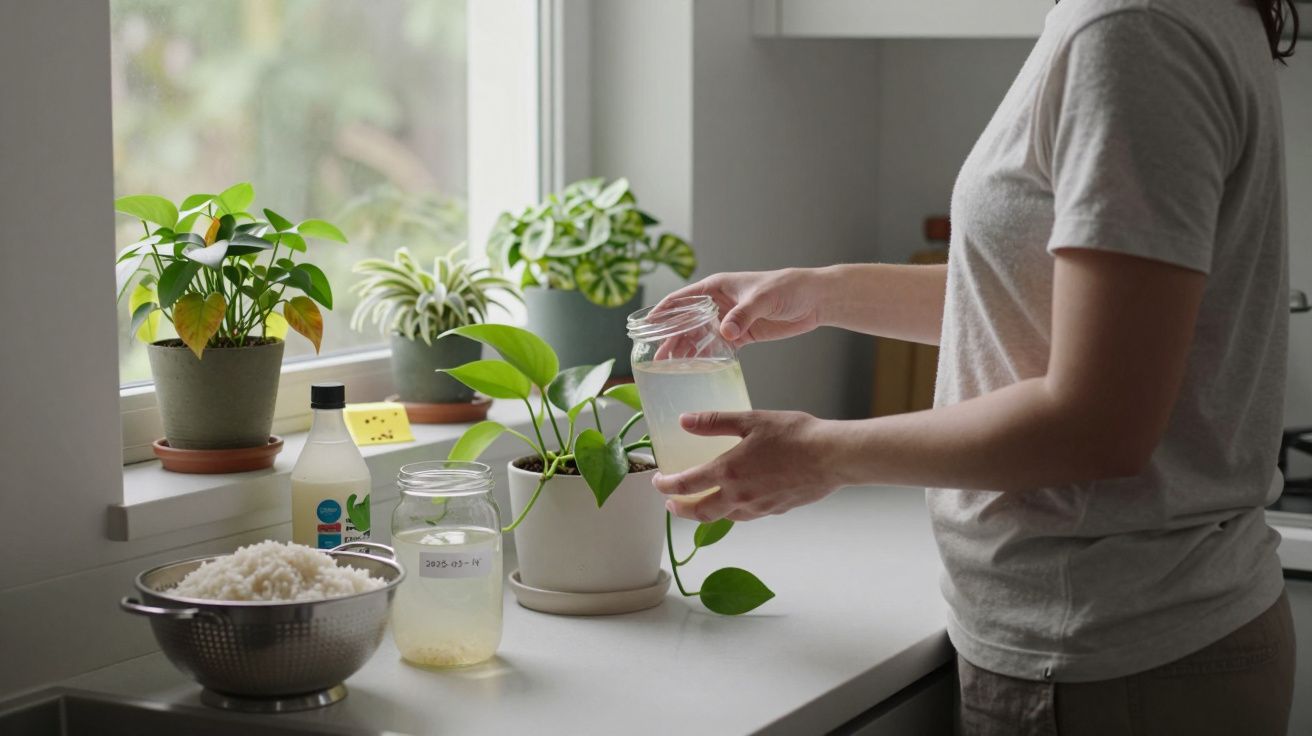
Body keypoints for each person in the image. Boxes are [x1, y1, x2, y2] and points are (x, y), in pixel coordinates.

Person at [652, 0, 1301, 733]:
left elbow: (1099, 423)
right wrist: (823, 291)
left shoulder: (1131, 27)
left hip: (1111, 655)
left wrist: (821, 455)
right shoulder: (1156, 17)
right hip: (1136, 644)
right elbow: (1041, 305)